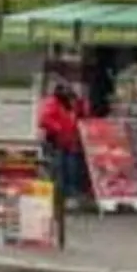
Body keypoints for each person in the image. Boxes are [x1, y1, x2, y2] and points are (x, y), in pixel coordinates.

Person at [37, 81, 89, 211]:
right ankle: (59, 196)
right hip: (55, 142)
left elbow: (83, 115)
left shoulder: (72, 104)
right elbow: (44, 119)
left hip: (70, 143)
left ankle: (70, 196)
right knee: (58, 168)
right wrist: (58, 129)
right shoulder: (52, 102)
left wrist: (81, 103)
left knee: (71, 168)